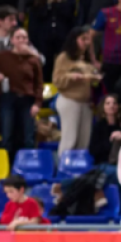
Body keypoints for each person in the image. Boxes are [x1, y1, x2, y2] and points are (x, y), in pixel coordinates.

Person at [52, 26, 101, 169]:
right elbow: (57, 80)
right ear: (74, 40)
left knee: (84, 140)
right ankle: (63, 168)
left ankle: (79, 171)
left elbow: (94, 79)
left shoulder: (86, 59)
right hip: (69, 100)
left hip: (86, 103)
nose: (86, 42)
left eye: (88, 39)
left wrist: (95, 78)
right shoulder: (64, 57)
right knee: (70, 138)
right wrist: (72, 76)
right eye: (83, 39)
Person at [0, 26, 43, 162]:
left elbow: (39, 83)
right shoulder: (3, 56)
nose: (21, 40)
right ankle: (6, 169)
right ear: (12, 40)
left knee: (28, 137)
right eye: (18, 37)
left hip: (27, 100)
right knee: (7, 135)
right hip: (8, 98)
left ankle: (27, 166)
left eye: (24, 37)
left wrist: (37, 103)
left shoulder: (34, 59)